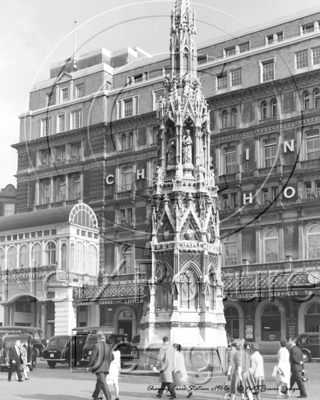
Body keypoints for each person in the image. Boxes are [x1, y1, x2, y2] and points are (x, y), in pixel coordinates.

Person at [87, 332, 114, 400]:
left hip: (98, 367)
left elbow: (92, 357)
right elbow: (112, 357)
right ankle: (95, 396)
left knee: (102, 383)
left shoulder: (96, 346)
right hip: (106, 367)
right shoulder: (109, 346)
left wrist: (89, 366)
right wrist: (107, 362)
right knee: (100, 382)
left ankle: (109, 397)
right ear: (104, 339)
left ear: (98, 339)